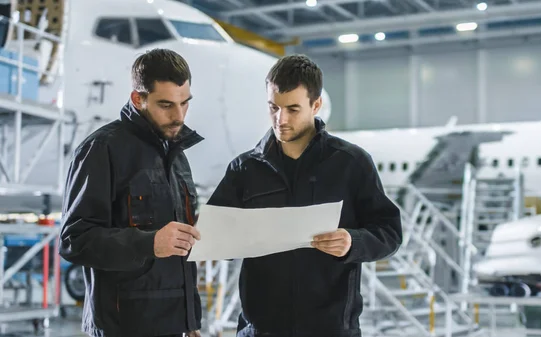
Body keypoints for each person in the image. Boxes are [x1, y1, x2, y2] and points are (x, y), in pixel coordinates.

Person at [207, 54, 403, 337]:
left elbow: (389, 233)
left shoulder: (351, 163)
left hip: (331, 329)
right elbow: (214, 237)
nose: (280, 119)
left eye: (292, 109)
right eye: (273, 107)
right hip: (261, 330)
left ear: (316, 105)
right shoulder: (244, 169)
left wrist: (353, 241)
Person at [59, 48, 204, 337]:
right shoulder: (102, 149)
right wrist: (148, 243)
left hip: (176, 327)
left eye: (185, 104)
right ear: (138, 99)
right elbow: (74, 239)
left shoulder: (177, 156)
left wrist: (189, 322)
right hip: (122, 327)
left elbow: (179, 249)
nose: (179, 116)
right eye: (166, 105)